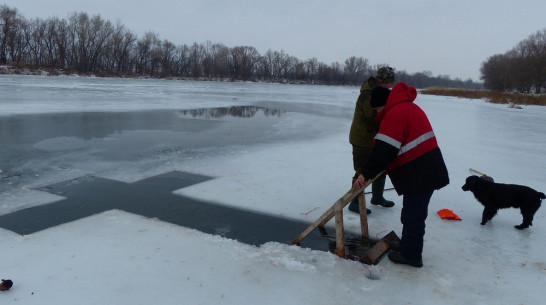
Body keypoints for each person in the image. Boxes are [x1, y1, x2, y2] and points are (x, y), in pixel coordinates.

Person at [354, 82, 449, 268]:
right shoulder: (406, 107)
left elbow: (384, 151)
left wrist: (365, 174)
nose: (377, 114)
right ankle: (407, 245)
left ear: (382, 104)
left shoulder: (395, 114)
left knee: (413, 215)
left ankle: (412, 255)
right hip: (424, 170)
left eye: (377, 109)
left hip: (421, 173)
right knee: (412, 212)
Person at [348, 66, 396, 215]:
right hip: (362, 139)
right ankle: (354, 202)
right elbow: (373, 118)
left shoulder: (381, 92)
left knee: (381, 168)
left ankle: (377, 197)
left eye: (391, 83)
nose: (390, 86)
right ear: (380, 81)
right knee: (362, 171)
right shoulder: (366, 95)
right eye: (388, 83)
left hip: (376, 138)